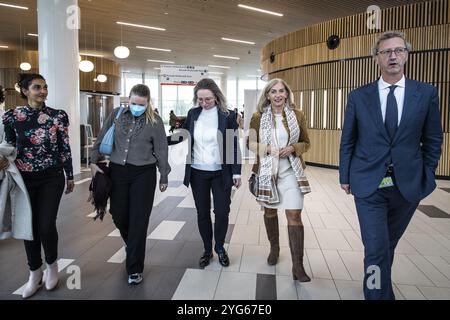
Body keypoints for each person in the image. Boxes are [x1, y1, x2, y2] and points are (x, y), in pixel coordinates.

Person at [339, 31, 443, 300]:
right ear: (376, 59)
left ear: (407, 55)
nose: (393, 56)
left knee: (388, 245)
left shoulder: (426, 93)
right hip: (368, 184)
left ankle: (379, 286)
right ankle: (376, 295)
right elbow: (348, 139)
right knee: (375, 247)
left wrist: (427, 174)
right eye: (386, 52)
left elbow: (433, 139)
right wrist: (344, 174)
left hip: (407, 186)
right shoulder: (360, 96)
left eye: (398, 50)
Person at [2, 73, 75, 298]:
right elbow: (9, 145)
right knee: (28, 226)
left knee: (45, 224)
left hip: (52, 176)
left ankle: (52, 265)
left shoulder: (58, 116)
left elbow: (65, 147)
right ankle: (35, 272)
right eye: (37, 87)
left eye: (44, 87)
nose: (42, 91)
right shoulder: (12, 116)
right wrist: (4, 158)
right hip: (24, 179)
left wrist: (70, 175)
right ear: (25, 91)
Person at [90, 84, 170, 285]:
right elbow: (101, 137)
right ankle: (131, 244)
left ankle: (134, 268)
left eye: (141, 104)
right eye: (134, 103)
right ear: (129, 99)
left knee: (139, 220)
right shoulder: (116, 114)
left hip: (144, 173)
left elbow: (161, 149)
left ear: (148, 103)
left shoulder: (155, 121)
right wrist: (93, 161)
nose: (137, 107)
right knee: (118, 214)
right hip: (118, 172)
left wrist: (164, 176)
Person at [171, 78, 241, 268]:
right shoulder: (193, 114)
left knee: (222, 212)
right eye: (200, 99)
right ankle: (206, 249)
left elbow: (233, 146)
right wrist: (159, 140)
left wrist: (236, 172)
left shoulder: (228, 116)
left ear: (216, 97)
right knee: (202, 213)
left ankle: (219, 247)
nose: (203, 103)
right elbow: (183, 135)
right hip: (197, 173)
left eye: (207, 99)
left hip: (221, 173)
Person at [248, 78, 311, 282]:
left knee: (294, 214)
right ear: (267, 95)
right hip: (267, 172)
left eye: (281, 91)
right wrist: (266, 149)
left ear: (286, 94)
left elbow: (305, 142)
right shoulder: (258, 117)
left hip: (291, 170)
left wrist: (293, 148)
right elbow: (250, 143)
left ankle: (298, 266)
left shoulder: (297, 115)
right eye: (273, 91)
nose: (277, 95)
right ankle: (274, 248)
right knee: (270, 211)